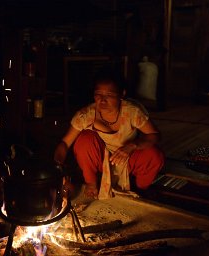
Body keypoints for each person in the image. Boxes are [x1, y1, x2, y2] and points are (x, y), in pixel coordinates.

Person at [54, 70, 164, 199]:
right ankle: (91, 184)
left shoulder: (132, 111)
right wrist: (59, 170)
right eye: (98, 94)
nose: (102, 100)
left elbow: (154, 136)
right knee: (84, 140)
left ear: (121, 94)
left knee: (154, 155)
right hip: (100, 160)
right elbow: (65, 144)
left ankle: (140, 188)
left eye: (109, 95)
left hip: (128, 158)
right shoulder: (86, 115)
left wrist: (132, 146)